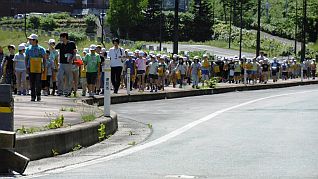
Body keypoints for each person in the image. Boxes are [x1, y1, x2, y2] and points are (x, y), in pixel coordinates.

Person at [25, 34, 46, 101]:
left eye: (30, 39)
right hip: (30, 67)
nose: (29, 41)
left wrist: (44, 67)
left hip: (38, 67)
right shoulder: (28, 48)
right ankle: (33, 96)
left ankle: (38, 95)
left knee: (38, 82)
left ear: (35, 40)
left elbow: (44, 59)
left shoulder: (41, 49)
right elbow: (26, 58)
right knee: (32, 82)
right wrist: (26, 67)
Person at [55, 32, 77, 97]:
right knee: (59, 76)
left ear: (64, 37)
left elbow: (74, 52)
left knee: (68, 78)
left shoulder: (72, 43)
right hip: (61, 63)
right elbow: (54, 48)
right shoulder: (60, 44)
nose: (60, 38)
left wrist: (72, 59)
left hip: (69, 63)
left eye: (61, 37)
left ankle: (67, 91)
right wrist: (49, 45)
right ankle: (60, 91)